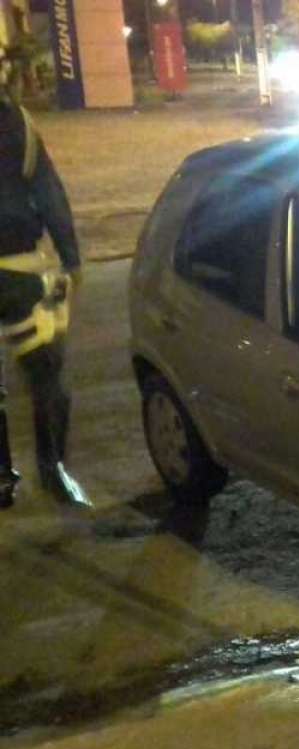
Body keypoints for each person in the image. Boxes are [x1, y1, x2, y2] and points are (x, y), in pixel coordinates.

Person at [0, 92, 90, 509]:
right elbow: (48, 190)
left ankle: (3, 478)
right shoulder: (16, 121)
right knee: (47, 374)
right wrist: (71, 258)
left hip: (18, 267)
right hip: (20, 266)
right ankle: (52, 469)